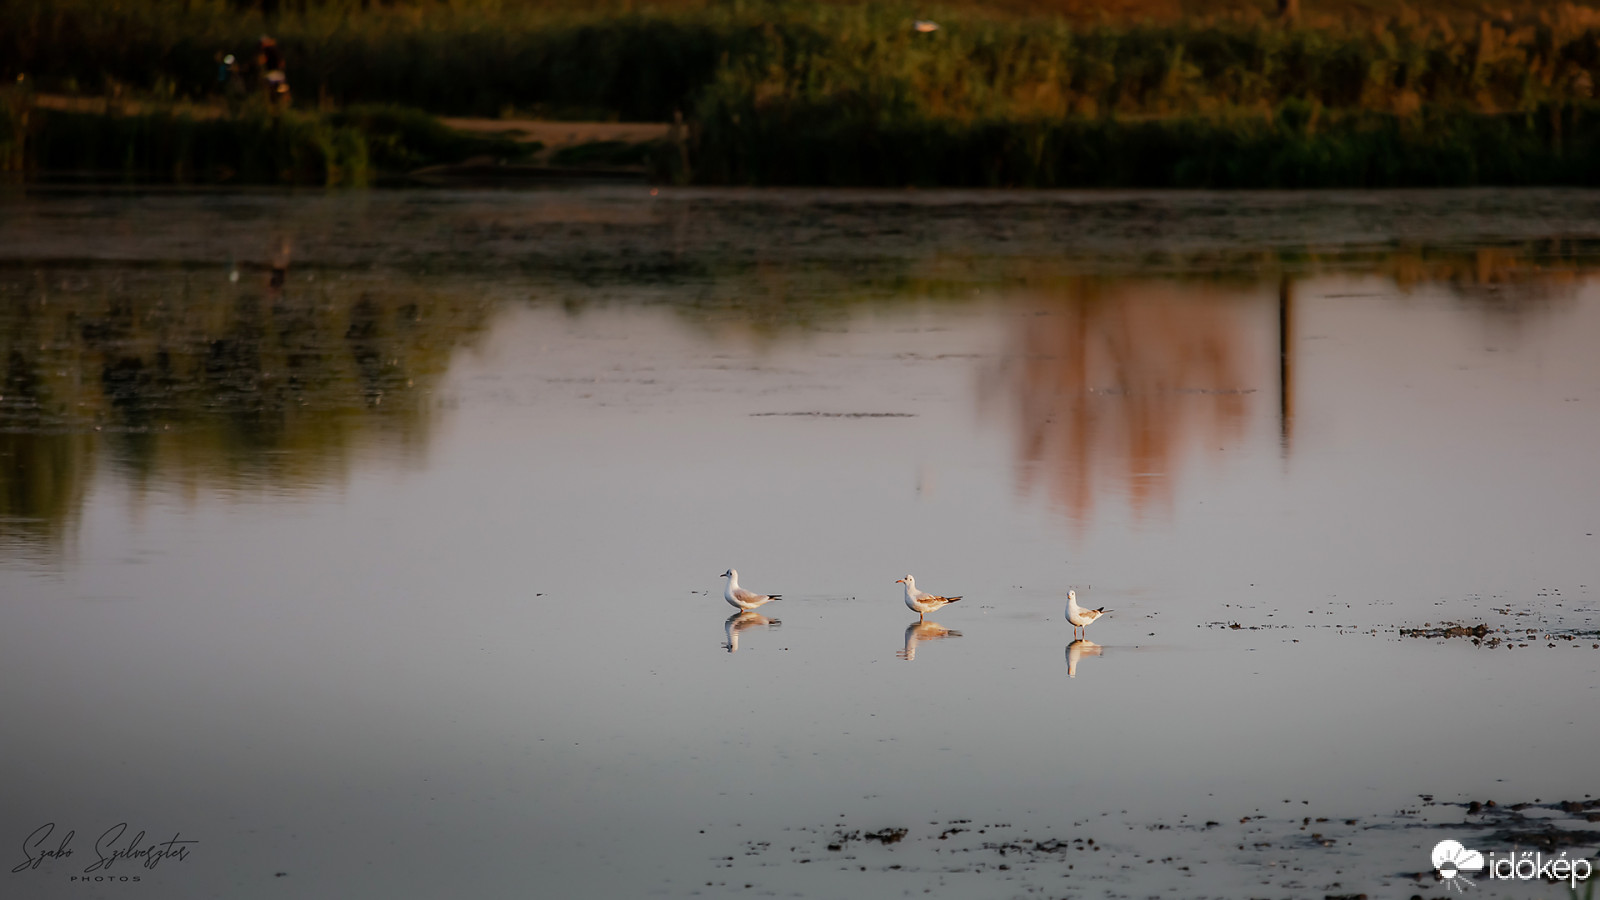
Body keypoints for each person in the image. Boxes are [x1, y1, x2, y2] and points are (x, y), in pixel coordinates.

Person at [255, 36, 289, 107]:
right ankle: (283, 104)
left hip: (271, 74)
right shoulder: (275, 50)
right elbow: (282, 63)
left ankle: (271, 104)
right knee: (283, 89)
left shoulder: (266, 51)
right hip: (278, 75)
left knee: (268, 90)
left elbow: (261, 61)